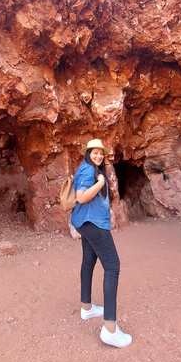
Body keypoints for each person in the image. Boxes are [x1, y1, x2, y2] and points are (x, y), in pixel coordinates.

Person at [71, 138, 132, 348]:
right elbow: (80, 197)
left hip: (85, 222)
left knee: (89, 261)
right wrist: (99, 183)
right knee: (112, 267)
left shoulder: (86, 168)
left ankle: (87, 308)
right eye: (94, 152)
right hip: (92, 223)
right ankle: (110, 329)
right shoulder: (90, 171)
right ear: (88, 153)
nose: (98, 156)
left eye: (101, 153)